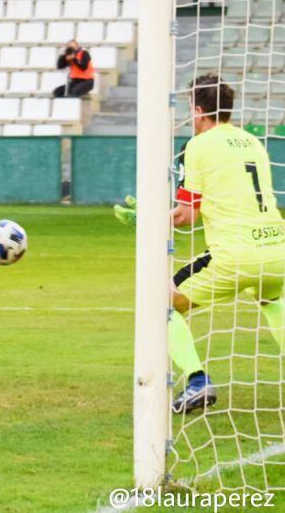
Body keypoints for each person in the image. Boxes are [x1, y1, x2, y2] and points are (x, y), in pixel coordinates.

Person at [114, 75, 285, 414]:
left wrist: (149, 218)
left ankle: (196, 380)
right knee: (272, 299)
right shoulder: (253, 142)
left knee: (159, 303)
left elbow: (187, 214)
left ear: (198, 108)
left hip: (235, 254)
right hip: (278, 248)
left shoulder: (198, 145)